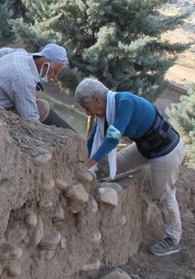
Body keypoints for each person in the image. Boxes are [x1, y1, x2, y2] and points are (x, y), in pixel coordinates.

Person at [74, 77, 185, 256]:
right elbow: (95, 136)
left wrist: (90, 162)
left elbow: (111, 139)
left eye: (87, 108)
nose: (89, 113)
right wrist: (83, 158)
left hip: (166, 150)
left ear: (96, 99)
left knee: (163, 194)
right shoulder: (106, 110)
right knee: (110, 168)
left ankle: (173, 238)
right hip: (145, 146)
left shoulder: (124, 103)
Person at [0, 43, 69, 123]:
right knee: (42, 107)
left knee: (36, 92)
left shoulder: (19, 53)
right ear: (46, 64)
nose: (53, 76)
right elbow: (31, 119)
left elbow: (0, 52)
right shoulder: (24, 78)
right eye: (55, 71)